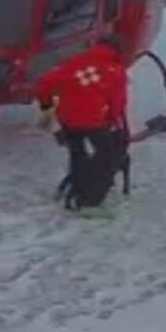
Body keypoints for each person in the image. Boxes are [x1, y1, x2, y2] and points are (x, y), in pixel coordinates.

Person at [34, 35, 129, 210]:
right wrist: (113, 119)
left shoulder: (74, 63)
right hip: (95, 121)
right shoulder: (115, 70)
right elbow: (118, 102)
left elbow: (44, 83)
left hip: (68, 120)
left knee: (77, 153)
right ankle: (89, 199)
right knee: (108, 156)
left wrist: (45, 104)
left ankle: (76, 187)